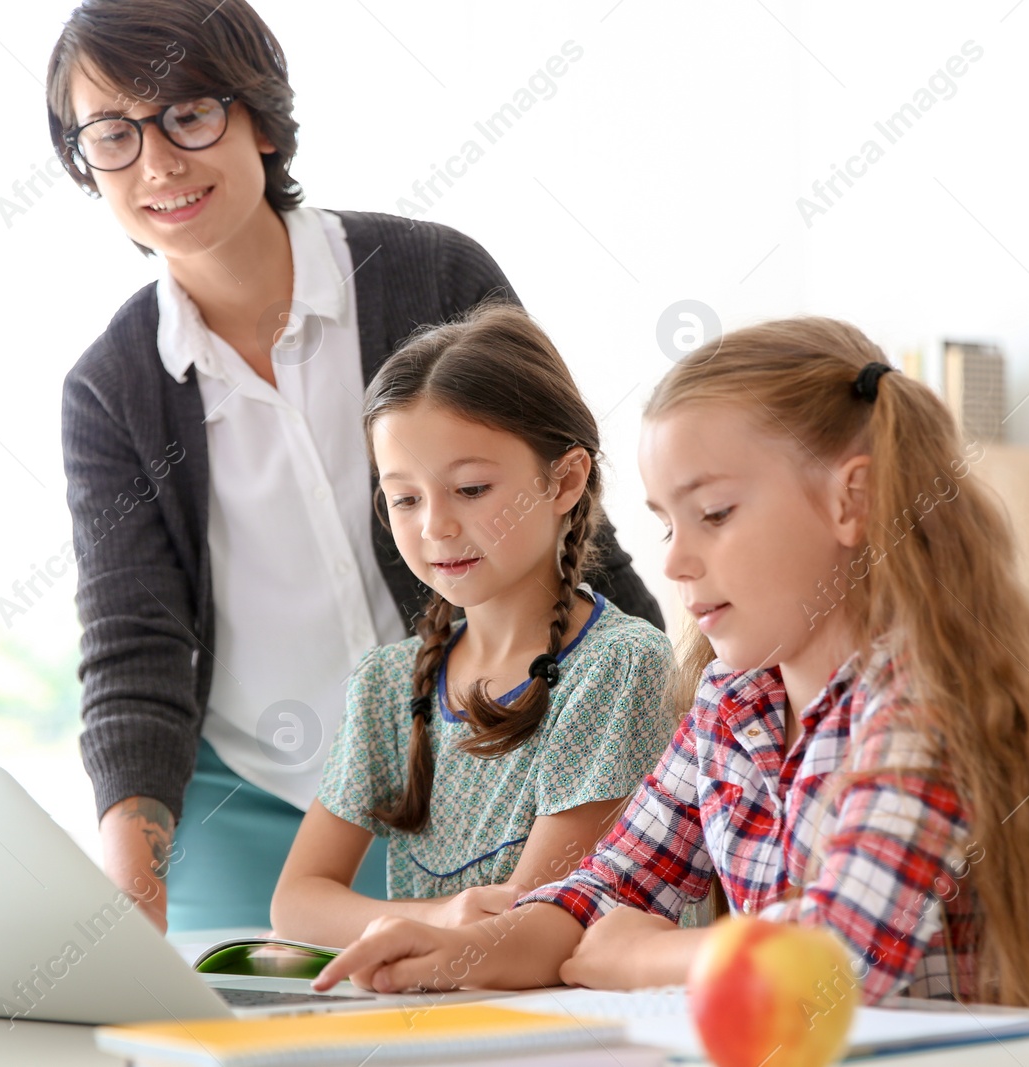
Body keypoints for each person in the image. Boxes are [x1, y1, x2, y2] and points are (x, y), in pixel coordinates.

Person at [46, 0, 663, 933]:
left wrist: (682, 724)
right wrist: (129, 893)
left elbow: (565, 510)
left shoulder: (432, 277)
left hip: (489, 756)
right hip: (242, 795)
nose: (158, 161)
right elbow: (135, 646)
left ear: (257, 114)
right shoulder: (113, 385)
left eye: (188, 113)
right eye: (112, 133)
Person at [314, 317, 1029, 1009]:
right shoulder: (731, 702)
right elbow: (607, 888)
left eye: (715, 513)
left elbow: (838, 958)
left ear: (850, 501)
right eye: (666, 523)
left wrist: (648, 956)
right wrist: (461, 953)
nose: (678, 561)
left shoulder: (923, 699)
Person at [271, 305, 677, 946]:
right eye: (404, 497)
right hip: (429, 1023)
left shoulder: (618, 665)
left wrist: (411, 928)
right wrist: (435, 917)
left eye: (471, 489)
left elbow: (531, 920)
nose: (435, 526)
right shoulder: (387, 683)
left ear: (565, 479)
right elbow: (296, 902)